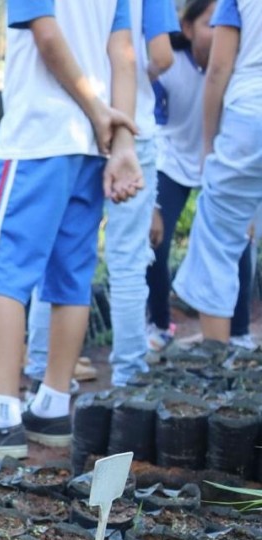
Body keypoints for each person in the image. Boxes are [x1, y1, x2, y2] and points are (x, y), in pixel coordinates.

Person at [0, 0, 143, 457]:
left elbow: (46, 34)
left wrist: (100, 113)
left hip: (40, 133)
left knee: (3, 265)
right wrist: (121, 140)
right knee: (71, 274)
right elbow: (122, 54)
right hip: (90, 144)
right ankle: (53, 405)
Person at [25, 0, 178, 392]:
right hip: (132, 126)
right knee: (127, 260)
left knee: (61, 255)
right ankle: (129, 374)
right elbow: (160, 53)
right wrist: (144, 81)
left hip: (77, 123)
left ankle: (41, 364)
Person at [152, 0, 257, 350]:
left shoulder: (238, 10)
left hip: (244, 130)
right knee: (165, 240)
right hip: (175, 160)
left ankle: (223, 346)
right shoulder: (174, 66)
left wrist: (209, 145)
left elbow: (219, 69)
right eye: (205, 24)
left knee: (224, 237)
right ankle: (165, 324)